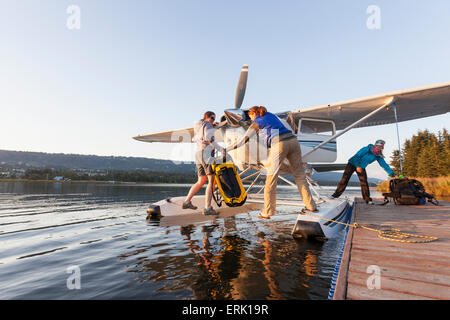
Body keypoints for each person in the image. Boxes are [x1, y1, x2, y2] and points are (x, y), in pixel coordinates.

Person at [226, 106, 317, 219]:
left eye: (250, 116)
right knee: (300, 176)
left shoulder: (257, 122)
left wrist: (228, 149)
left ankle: (267, 212)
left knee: (271, 178)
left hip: (279, 144)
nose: (251, 119)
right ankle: (311, 206)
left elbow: (244, 139)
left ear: (253, 114)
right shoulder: (271, 115)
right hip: (293, 142)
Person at [182, 111, 225, 215]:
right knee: (211, 181)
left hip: (198, 154)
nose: (212, 120)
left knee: (201, 181)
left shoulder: (199, 126)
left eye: (214, 119)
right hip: (206, 154)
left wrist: (214, 127)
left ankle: (187, 201)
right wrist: (221, 149)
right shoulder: (208, 125)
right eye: (211, 118)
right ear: (206, 117)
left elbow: (202, 135)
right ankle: (207, 208)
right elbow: (208, 138)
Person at [331, 140, 396, 204]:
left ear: (382, 148)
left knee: (364, 182)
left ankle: (367, 199)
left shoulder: (378, 156)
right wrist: (358, 166)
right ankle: (335, 195)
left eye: (380, 147)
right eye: (377, 146)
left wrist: (392, 174)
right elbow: (357, 156)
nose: (378, 148)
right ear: (375, 145)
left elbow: (384, 165)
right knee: (344, 179)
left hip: (361, 167)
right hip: (352, 163)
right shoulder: (366, 149)